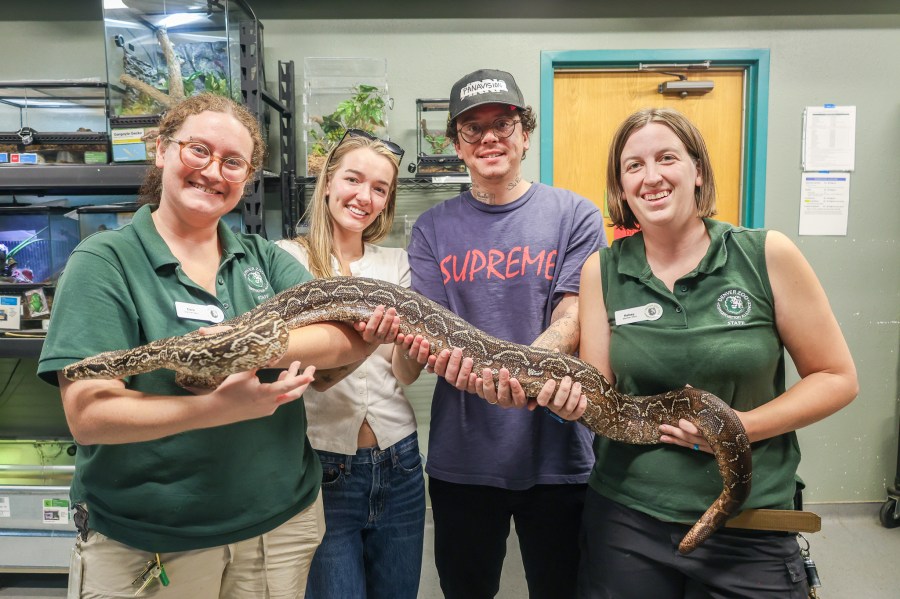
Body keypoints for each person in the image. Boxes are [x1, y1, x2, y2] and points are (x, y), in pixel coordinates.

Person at [37, 93, 401, 599]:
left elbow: (345, 338)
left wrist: (243, 349)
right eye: (198, 150)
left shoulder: (263, 259)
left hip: (278, 531)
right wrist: (219, 407)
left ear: (246, 177)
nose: (213, 171)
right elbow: (89, 414)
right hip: (153, 545)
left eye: (233, 161)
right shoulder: (103, 261)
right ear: (161, 149)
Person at [569, 107, 858, 598]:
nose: (651, 176)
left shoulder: (765, 254)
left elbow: (836, 377)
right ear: (620, 186)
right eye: (633, 166)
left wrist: (738, 428)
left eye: (667, 158)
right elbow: (601, 398)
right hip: (627, 519)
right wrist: (556, 398)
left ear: (697, 169)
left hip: (750, 523)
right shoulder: (602, 270)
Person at [405, 68, 607, 599]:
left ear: (525, 132)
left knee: (563, 589)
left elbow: (574, 317)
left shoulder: (575, 215)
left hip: (561, 454)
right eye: (472, 128)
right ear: (456, 144)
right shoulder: (431, 229)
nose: (489, 137)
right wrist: (472, 369)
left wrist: (512, 371)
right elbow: (433, 333)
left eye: (503, 122)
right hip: (465, 457)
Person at [274, 130, 427, 599]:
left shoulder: (398, 263)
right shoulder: (288, 260)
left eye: (379, 189)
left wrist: (410, 349)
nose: (364, 197)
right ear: (327, 183)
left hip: (400, 461)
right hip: (324, 464)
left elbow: (404, 374)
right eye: (353, 180)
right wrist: (360, 343)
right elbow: (296, 371)